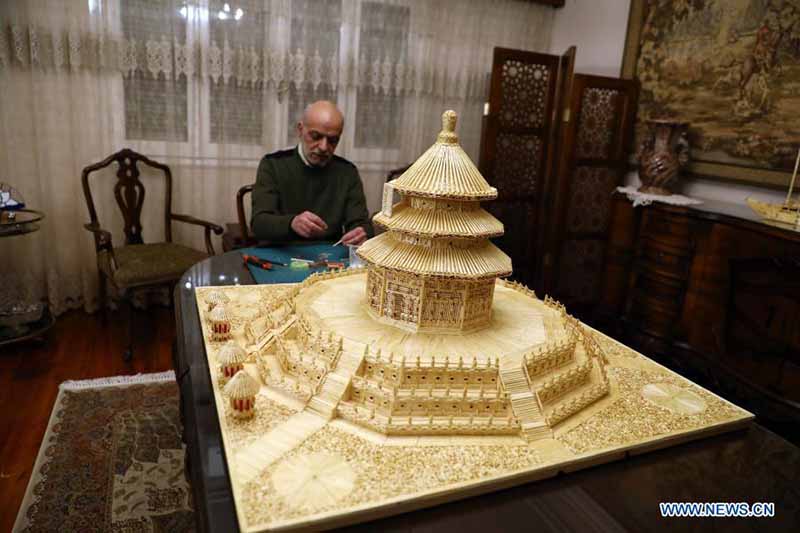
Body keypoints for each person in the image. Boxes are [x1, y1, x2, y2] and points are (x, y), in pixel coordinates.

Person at [251, 100, 373, 245]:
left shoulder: (347, 172)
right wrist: (292, 223)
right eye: (316, 136)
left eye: (333, 140)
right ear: (300, 130)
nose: (323, 147)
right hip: (281, 251)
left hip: (329, 253)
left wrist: (362, 233)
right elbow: (259, 223)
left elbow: (361, 223)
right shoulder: (273, 165)